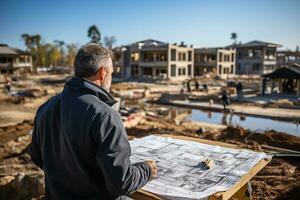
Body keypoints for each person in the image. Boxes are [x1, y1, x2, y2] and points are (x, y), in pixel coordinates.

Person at [29, 44, 157, 200]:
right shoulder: (105, 116)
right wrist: (147, 169)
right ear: (102, 73)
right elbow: (122, 183)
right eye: (111, 72)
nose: (111, 77)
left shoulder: (46, 107)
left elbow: (36, 155)